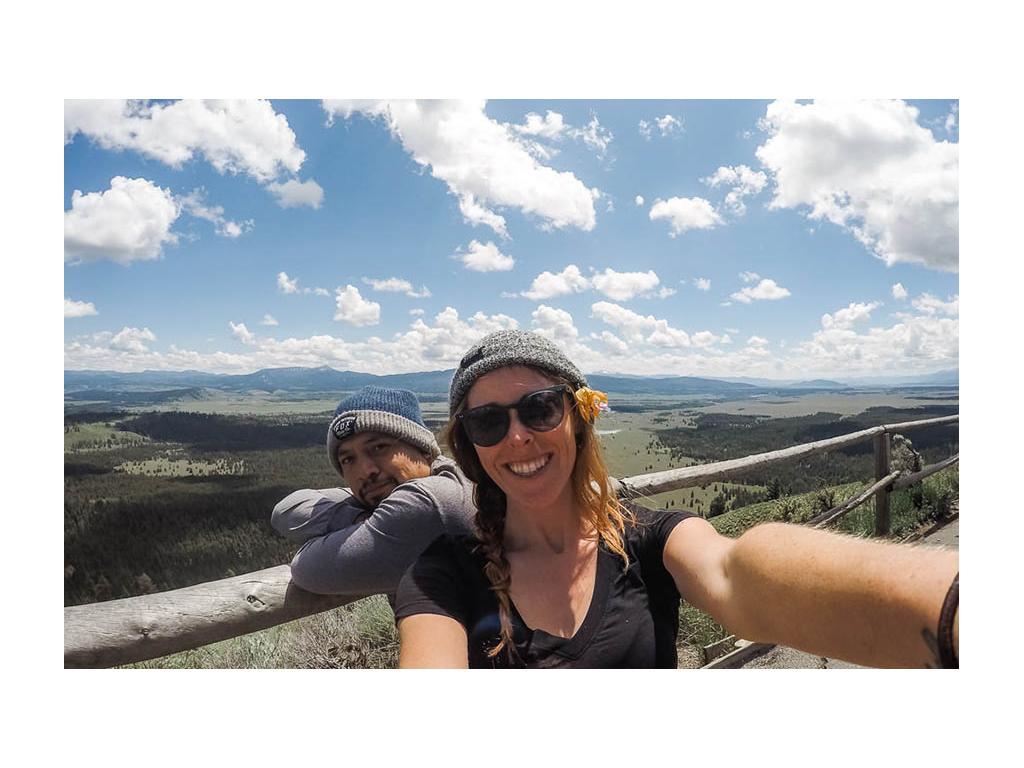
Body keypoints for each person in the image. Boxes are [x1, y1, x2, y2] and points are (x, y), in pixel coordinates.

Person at [394, 330, 960, 668]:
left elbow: (739, 575)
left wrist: (955, 610)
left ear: (579, 418)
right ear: (469, 444)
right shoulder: (442, 574)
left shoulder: (650, 539)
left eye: (540, 408)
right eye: (488, 421)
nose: (517, 437)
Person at [271, 386, 476, 600]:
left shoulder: (432, 502)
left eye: (379, 448)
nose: (365, 471)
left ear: (424, 449)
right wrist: (364, 519)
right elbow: (287, 510)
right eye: (348, 459)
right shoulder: (453, 477)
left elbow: (307, 569)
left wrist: (372, 522)